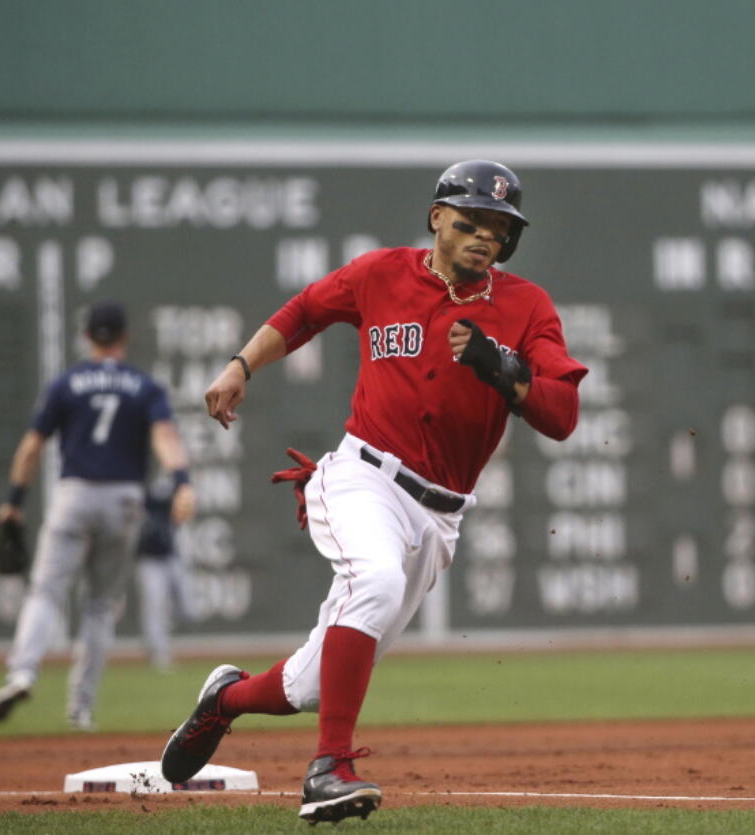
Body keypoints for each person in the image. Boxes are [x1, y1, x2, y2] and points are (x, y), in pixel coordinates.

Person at [159, 160, 586, 823]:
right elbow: (304, 311)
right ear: (438, 217)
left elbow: (562, 415)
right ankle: (330, 766)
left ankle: (224, 700)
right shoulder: (381, 273)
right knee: (377, 579)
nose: (485, 237)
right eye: (472, 220)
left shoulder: (527, 306)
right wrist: (243, 363)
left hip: (439, 515)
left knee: (308, 683)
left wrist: (507, 370)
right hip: (364, 474)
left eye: (500, 229)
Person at [0, 301, 195, 731]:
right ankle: (80, 709)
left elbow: (30, 447)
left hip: (74, 495)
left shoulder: (67, 383)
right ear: (124, 337)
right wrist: (182, 481)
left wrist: (13, 501)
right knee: (100, 606)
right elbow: (165, 436)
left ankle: (22, 672)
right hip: (124, 500)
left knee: (46, 592)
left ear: (87, 337)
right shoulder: (143, 386)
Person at [135, 472, 197, 670]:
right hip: (148, 560)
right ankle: (158, 653)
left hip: (171, 557)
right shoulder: (139, 499)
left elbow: (183, 511)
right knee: (154, 606)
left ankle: (164, 629)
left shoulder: (168, 501)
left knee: (187, 609)